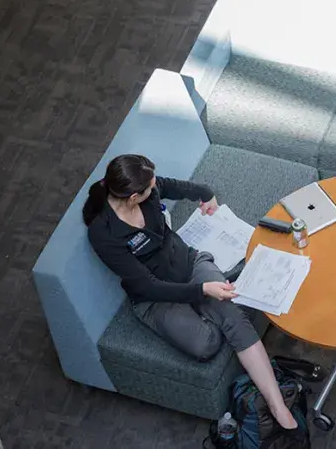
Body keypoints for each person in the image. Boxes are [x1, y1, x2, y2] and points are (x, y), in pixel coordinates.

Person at [83, 154, 297, 430]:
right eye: (150, 187)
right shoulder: (103, 234)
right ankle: (212, 308)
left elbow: (184, 188)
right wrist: (203, 291)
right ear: (134, 196)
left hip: (188, 264)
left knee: (233, 318)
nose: (155, 186)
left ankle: (277, 405)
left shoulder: (149, 188)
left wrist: (206, 195)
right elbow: (147, 285)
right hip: (154, 298)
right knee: (205, 344)